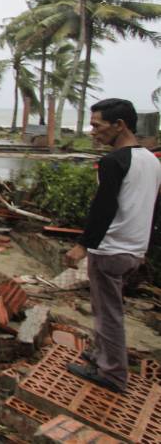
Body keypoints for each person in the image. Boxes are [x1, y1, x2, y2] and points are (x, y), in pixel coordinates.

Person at [64, 98, 161, 393]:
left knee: (108, 313)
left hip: (111, 249)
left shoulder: (113, 161)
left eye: (97, 125)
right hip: (134, 249)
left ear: (119, 125)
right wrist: (145, 247)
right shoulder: (151, 160)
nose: (93, 131)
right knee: (105, 306)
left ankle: (113, 374)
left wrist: (82, 246)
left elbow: (103, 208)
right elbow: (153, 207)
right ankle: (99, 354)